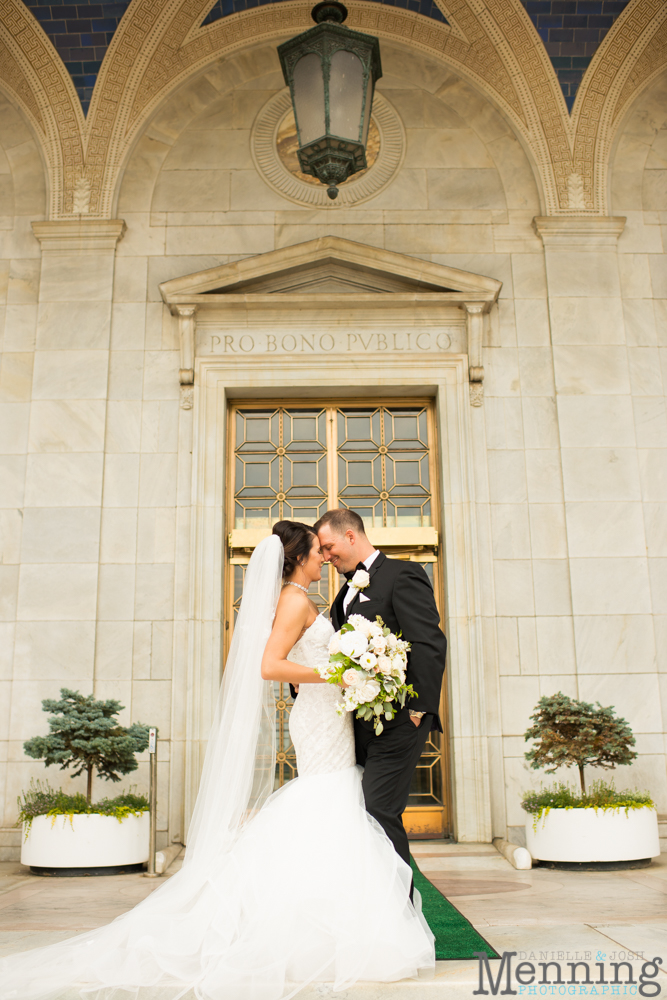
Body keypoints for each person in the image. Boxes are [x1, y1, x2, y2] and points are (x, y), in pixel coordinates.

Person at [0, 520, 434, 1000]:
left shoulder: (321, 598)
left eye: (327, 549)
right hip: (323, 716)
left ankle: (358, 919)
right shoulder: (296, 600)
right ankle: (344, 928)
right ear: (298, 558)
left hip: (335, 718)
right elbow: (269, 664)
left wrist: (351, 680)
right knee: (329, 805)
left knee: (340, 809)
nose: (324, 558)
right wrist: (336, 674)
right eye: (317, 551)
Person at [314, 508, 447, 873]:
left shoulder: (403, 574)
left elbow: (428, 641)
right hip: (361, 726)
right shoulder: (344, 593)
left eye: (328, 547)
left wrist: (419, 708)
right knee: (361, 812)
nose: (326, 557)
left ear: (351, 536)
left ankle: (400, 915)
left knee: (379, 810)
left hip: (402, 719)